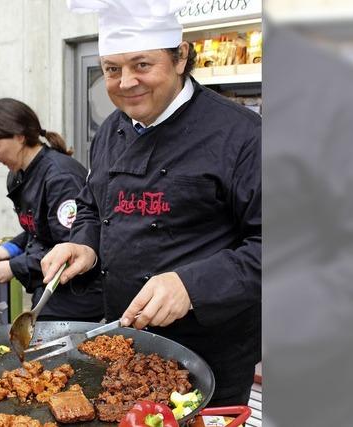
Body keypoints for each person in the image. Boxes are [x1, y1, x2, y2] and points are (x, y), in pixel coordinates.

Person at [42, 0, 261, 406]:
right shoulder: (111, 129)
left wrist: (191, 286)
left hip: (211, 356)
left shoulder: (243, 135)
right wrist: (84, 243)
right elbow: (93, 205)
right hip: (122, 342)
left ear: (180, 58)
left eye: (142, 65)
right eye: (112, 69)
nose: (126, 82)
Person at [0, 98, 103, 321]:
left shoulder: (61, 177)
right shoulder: (19, 175)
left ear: (19, 136)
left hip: (77, 293)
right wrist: (6, 250)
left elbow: (70, 247)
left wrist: (14, 268)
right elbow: (38, 229)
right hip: (49, 285)